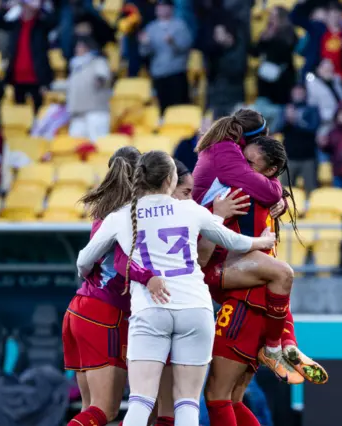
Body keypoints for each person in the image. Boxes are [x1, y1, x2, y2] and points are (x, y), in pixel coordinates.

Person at [76, 151, 276, 426]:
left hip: (150, 310)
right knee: (187, 404)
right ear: (171, 179)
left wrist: (87, 275)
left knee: (140, 402)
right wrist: (262, 242)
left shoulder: (121, 215)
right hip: (194, 307)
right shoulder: (190, 209)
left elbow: (84, 260)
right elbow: (234, 241)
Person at [191, 109, 302, 382]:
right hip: (206, 260)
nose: (248, 164)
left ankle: (284, 345)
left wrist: (281, 199)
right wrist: (277, 192)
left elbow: (263, 185)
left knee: (224, 399)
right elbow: (265, 188)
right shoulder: (228, 154)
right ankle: (279, 345)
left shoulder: (228, 158)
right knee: (278, 273)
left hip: (217, 258)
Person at [62, 146, 140, 426]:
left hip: (79, 310)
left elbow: (83, 264)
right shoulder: (130, 215)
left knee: (90, 409)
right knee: (105, 411)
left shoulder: (103, 213)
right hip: (105, 314)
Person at [139, 0, 192, 113]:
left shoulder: (179, 25)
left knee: (180, 106)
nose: (161, 9)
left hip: (176, 71)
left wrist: (173, 42)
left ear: (171, 8)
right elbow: (144, 53)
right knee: (164, 107)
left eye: (164, 6)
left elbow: (186, 47)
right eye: (159, 7)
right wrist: (145, 44)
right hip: (159, 73)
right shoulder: (151, 28)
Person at [66, 35, 112, 142]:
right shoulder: (75, 65)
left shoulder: (98, 61)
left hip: (95, 113)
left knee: (97, 144)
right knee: (74, 145)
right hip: (78, 114)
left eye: (80, 46)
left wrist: (100, 81)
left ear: (88, 47)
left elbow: (103, 76)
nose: (77, 49)